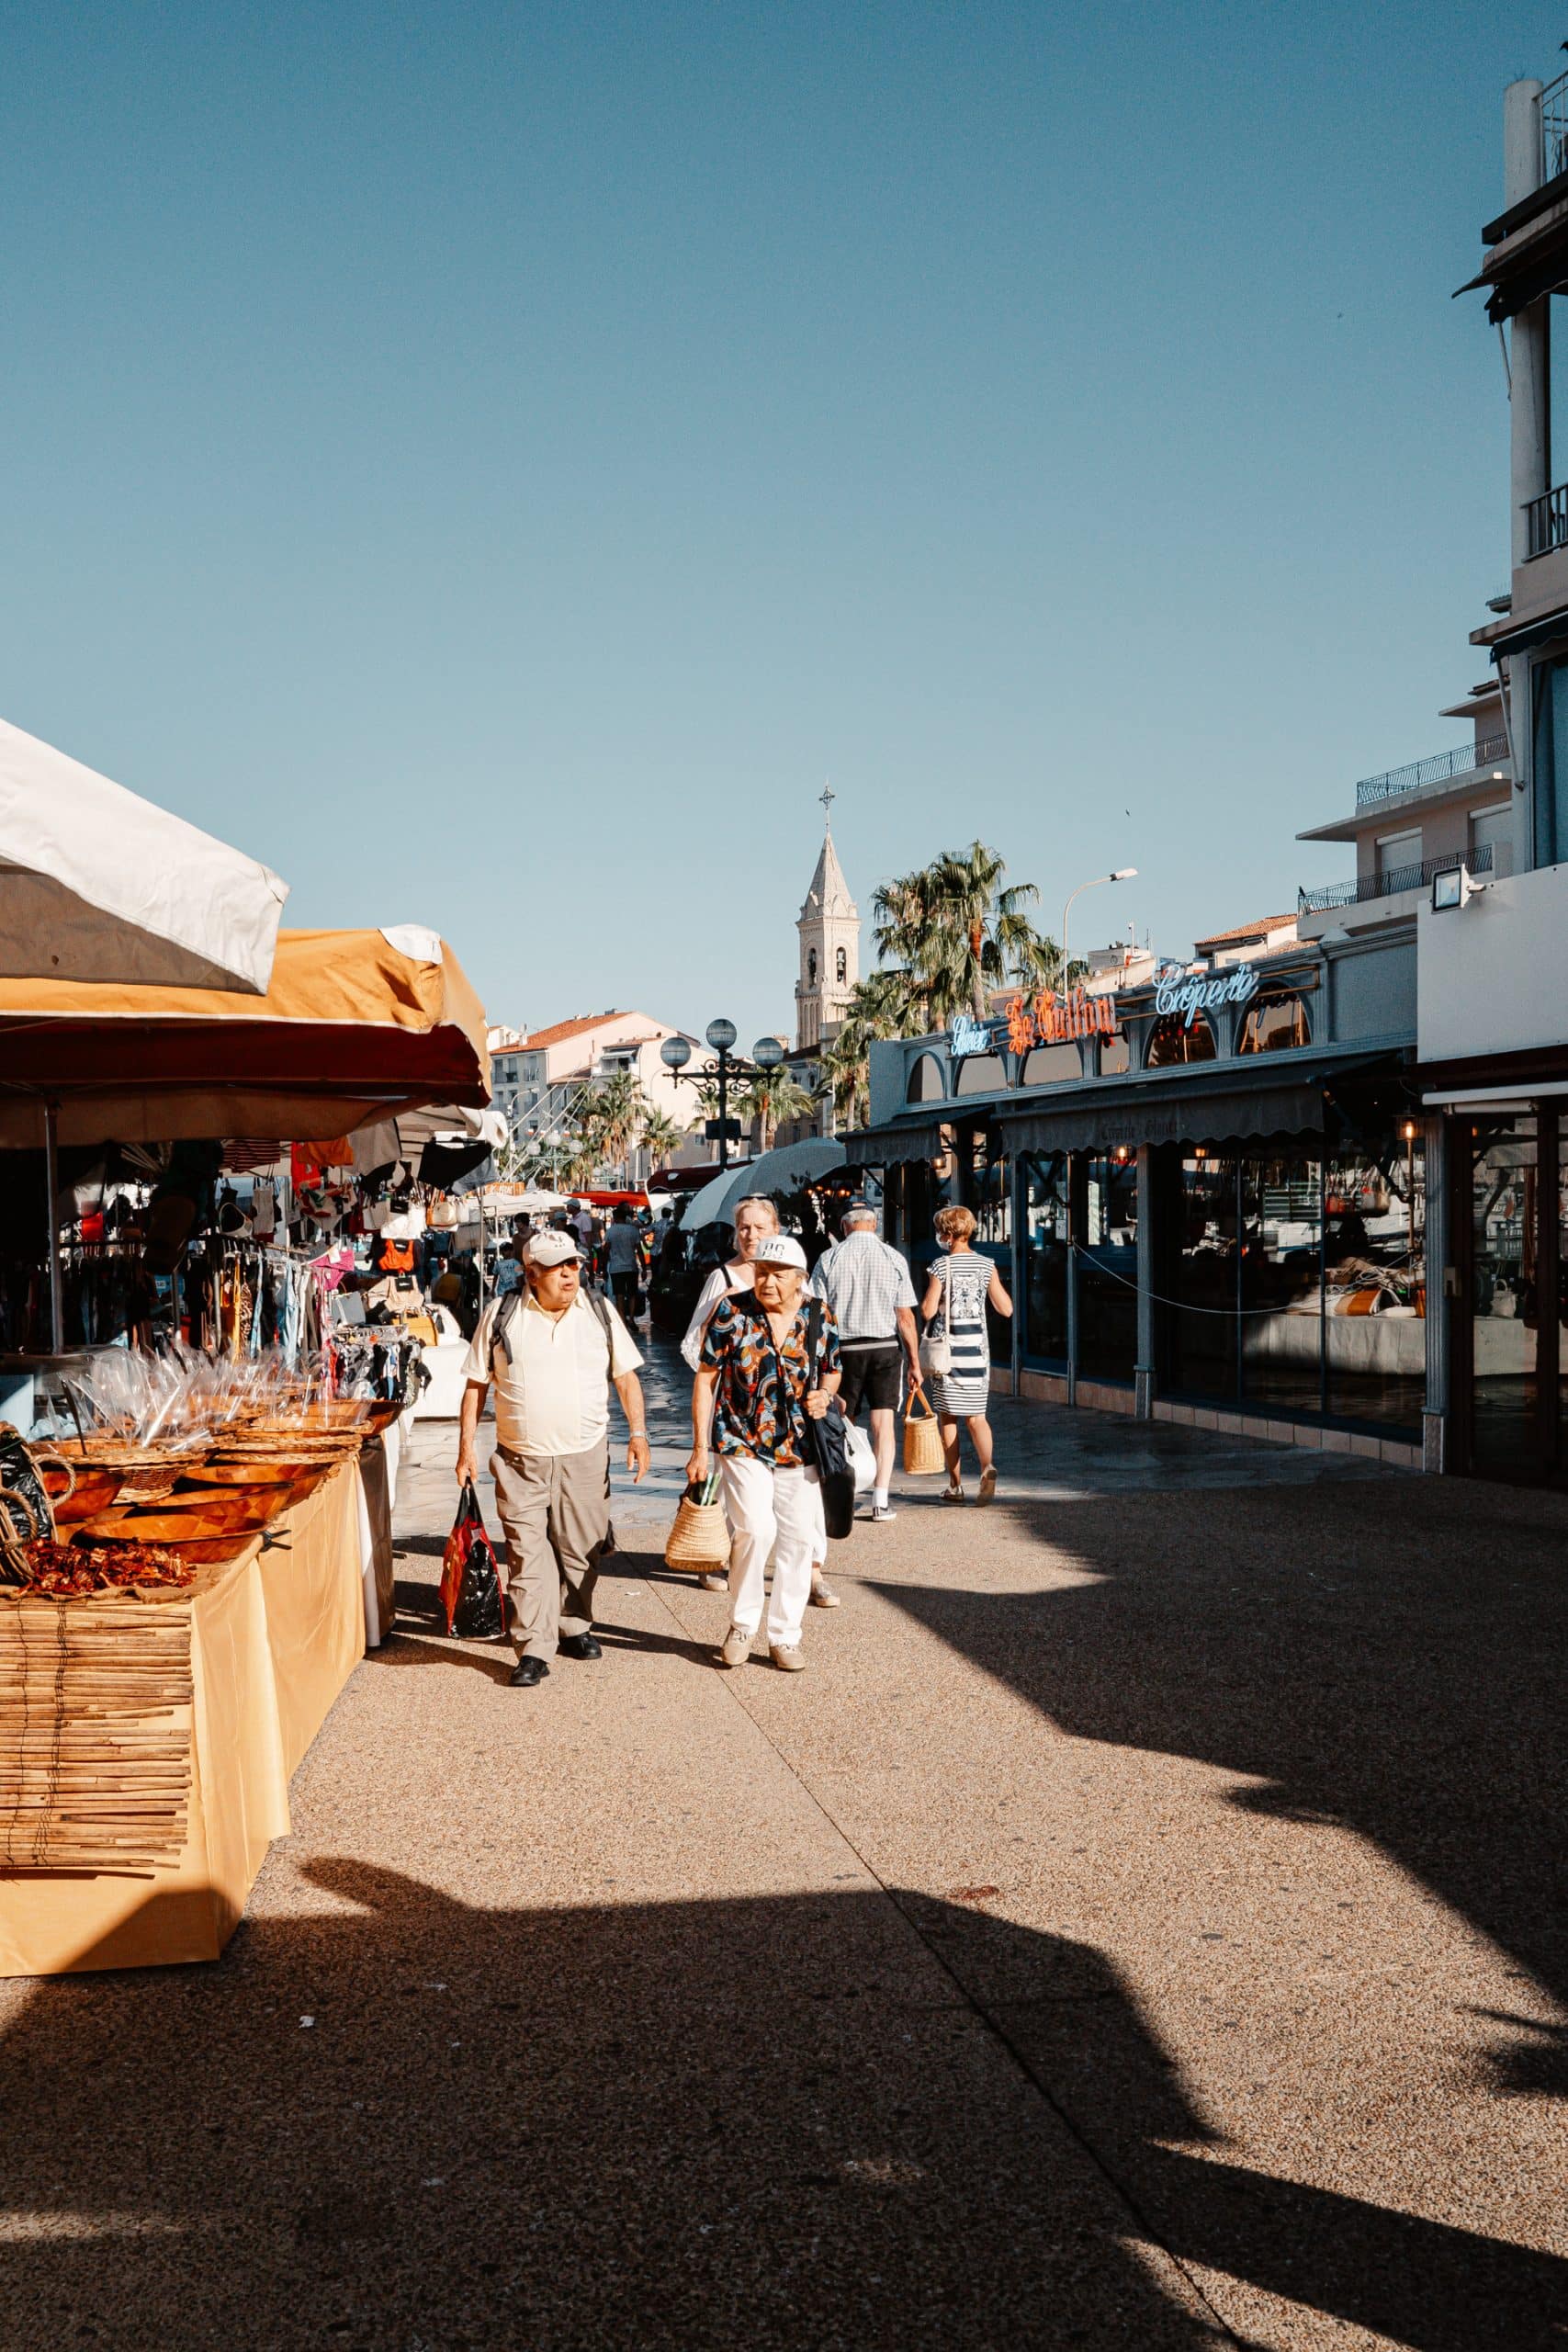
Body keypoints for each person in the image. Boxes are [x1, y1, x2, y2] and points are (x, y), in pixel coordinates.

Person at [456, 1229, 649, 1688]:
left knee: (581, 1549)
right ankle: (534, 1647)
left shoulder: (598, 1310)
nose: (570, 1273)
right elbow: (475, 1385)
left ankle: (573, 1624)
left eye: (575, 1264)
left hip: (585, 1454)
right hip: (520, 1458)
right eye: (559, 1266)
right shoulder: (502, 1314)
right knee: (527, 1552)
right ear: (531, 1274)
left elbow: (625, 1377)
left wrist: (638, 1434)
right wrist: (466, 1447)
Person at [688, 1235, 841, 1672]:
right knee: (755, 1530)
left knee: (797, 1540)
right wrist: (700, 1447)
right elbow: (704, 1379)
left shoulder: (818, 1315)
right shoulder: (731, 1311)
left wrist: (824, 1398)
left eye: (777, 1275)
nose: (767, 1281)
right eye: (761, 1272)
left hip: (800, 1446)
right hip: (740, 1439)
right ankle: (742, 1624)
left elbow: (833, 1370)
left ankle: (785, 1636)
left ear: (800, 1280)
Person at [809, 1199, 921, 1522]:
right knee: (882, 1424)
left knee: (843, 1421)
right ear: (874, 1224)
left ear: (844, 1226)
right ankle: (880, 1500)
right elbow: (905, 1318)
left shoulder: (829, 1258)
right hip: (885, 1347)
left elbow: (818, 1312)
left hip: (843, 1350)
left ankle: (842, 1490)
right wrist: (914, 1362)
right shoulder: (894, 1257)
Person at [920, 1204, 1012, 1505]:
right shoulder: (986, 1265)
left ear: (947, 1234)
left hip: (948, 1355)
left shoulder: (940, 1266)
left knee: (948, 1419)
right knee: (977, 1417)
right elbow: (1006, 1309)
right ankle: (987, 1467)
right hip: (977, 1354)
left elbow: (927, 1310)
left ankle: (955, 1485)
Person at [604, 1204, 643, 1324]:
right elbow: (639, 1250)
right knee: (632, 1294)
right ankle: (631, 1318)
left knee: (619, 1295)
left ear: (615, 1218)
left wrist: (603, 1267)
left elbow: (606, 1250)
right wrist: (645, 1267)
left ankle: (622, 1321)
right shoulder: (633, 1230)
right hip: (631, 1266)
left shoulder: (610, 1232)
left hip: (616, 1268)